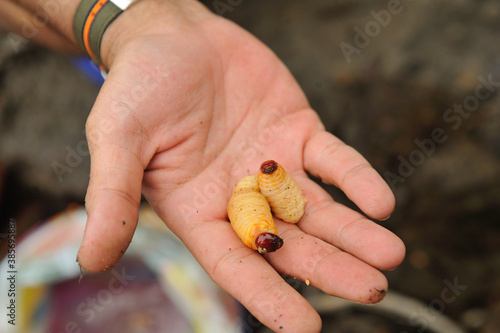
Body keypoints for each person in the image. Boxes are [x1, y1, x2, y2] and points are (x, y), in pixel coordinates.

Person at [0, 0, 405, 331]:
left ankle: (105, 43)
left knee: (59, 23)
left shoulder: (255, 196)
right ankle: (106, 46)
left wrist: (132, 20)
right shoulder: (252, 200)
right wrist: (135, 24)